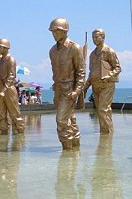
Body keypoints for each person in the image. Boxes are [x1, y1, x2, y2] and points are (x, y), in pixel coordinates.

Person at [49, 18, 85, 150]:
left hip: (69, 89)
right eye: (52, 32)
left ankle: (67, 151)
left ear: (65, 31)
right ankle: (75, 149)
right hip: (58, 89)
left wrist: (77, 91)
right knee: (70, 119)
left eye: (57, 31)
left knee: (61, 120)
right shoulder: (52, 50)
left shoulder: (74, 48)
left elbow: (81, 72)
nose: (54, 34)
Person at [84, 29, 121, 134]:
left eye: (97, 37)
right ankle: (105, 133)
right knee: (101, 111)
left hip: (107, 85)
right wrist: (86, 86)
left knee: (103, 109)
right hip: (95, 86)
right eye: (93, 38)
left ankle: (107, 135)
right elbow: (91, 72)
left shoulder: (109, 51)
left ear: (103, 37)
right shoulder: (92, 54)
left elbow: (117, 68)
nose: (94, 39)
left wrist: (108, 76)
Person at [0, 38, 25, 134]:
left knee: (15, 113)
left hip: (8, 90)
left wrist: (4, 90)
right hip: (0, 89)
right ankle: (4, 134)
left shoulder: (10, 59)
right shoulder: (0, 60)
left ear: (4, 48)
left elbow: (12, 76)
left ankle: (20, 134)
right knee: (0, 114)